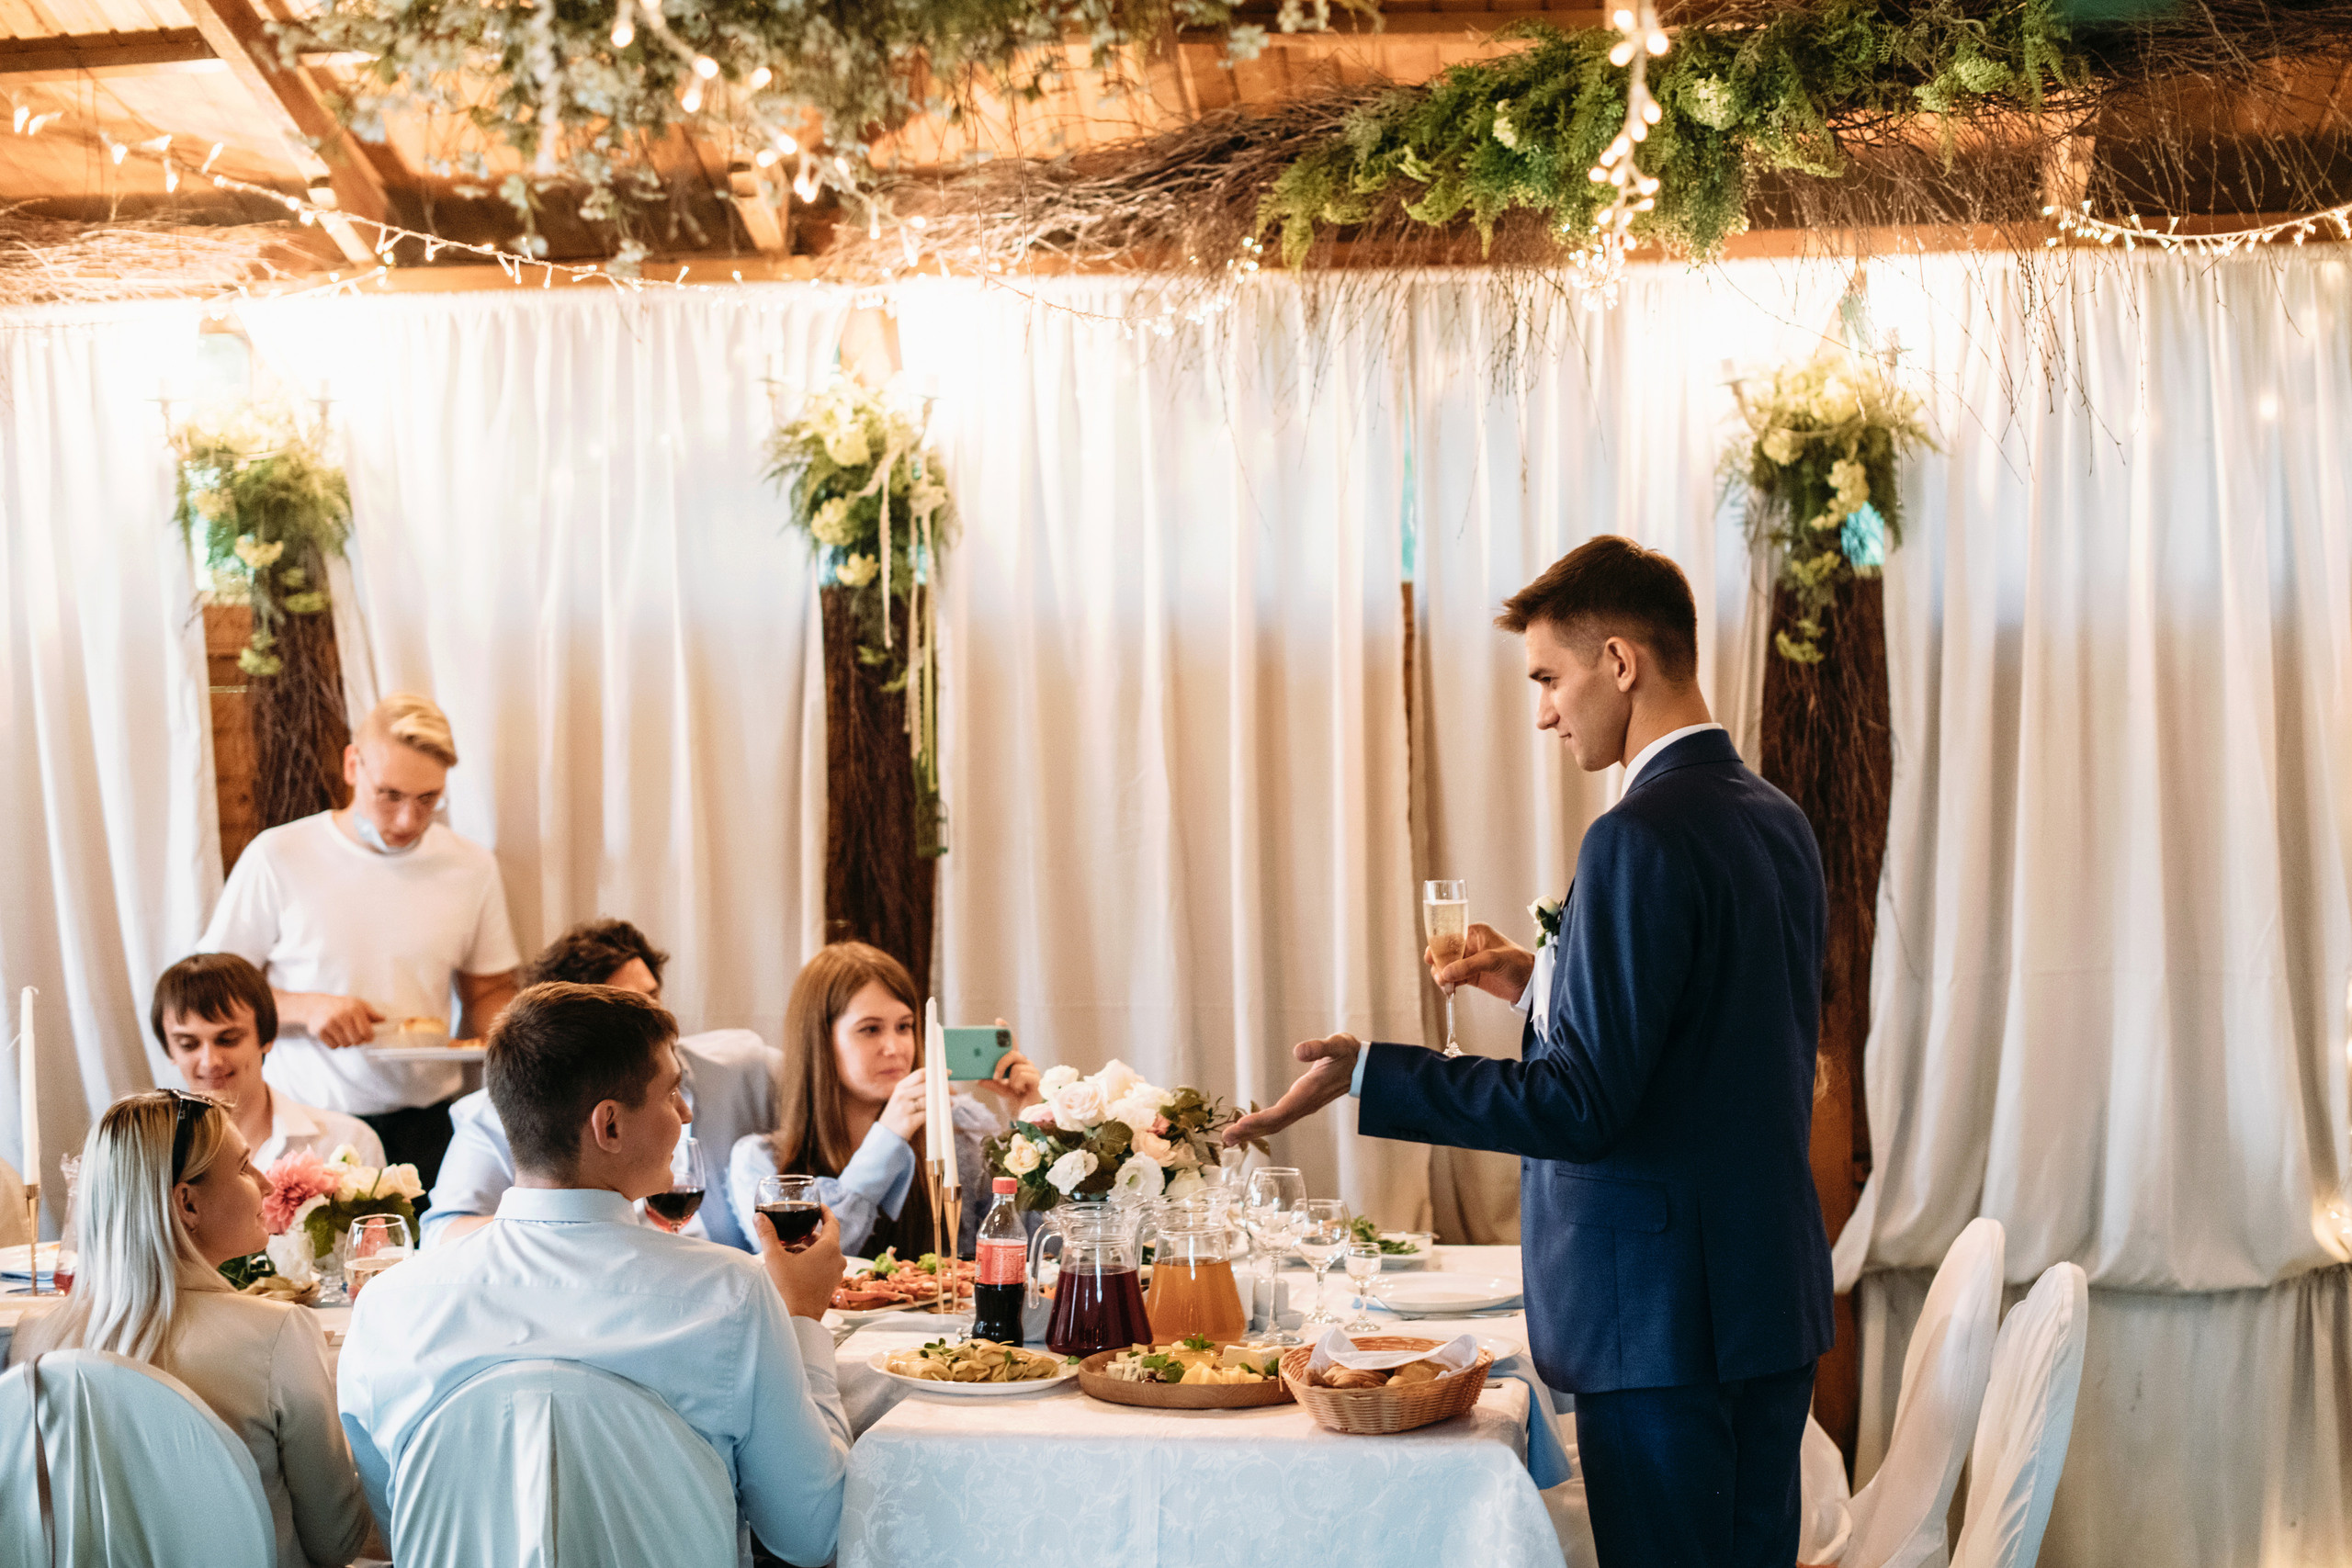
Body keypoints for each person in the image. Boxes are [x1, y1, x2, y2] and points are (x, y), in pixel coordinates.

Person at [1228, 536, 1834, 1568]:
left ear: (1619, 661)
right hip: (1757, 1301)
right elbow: (1710, 1044)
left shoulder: (1637, 836)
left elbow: (1579, 1107)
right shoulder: (1773, 818)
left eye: (1549, 678)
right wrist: (1544, 981)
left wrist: (1373, 1072)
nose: (1545, 710)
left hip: (1661, 1327)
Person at [338, 984, 850, 1567]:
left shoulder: (386, 1307)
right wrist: (804, 1319)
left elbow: (404, 1530)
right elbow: (812, 1536)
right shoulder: (729, 1294)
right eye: (672, 1092)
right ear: (608, 1126)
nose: (685, 1114)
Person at [9, 1090, 372, 1568]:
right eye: (244, 1167)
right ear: (187, 1204)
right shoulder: (277, 1334)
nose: (264, 1183)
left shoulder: (35, 1340)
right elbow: (338, 1543)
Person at [199, 693, 521, 1190]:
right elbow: (211, 997)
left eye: (427, 800)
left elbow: (487, 991)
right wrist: (307, 1008)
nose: (407, 821)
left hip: (431, 1124)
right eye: (389, 795)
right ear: (353, 764)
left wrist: (515, 1044)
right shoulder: (278, 856)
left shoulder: (472, 866)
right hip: (309, 1126)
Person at [422, 919, 780, 1250]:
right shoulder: (502, 1108)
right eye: (625, 1013)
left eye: (651, 997)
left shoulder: (740, 1067)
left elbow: (824, 1081)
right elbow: (443, 1233)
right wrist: (569, 1230)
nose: (652, 1019)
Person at [726, 942, 1039, 1261]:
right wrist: (887, 1138)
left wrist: (1034, 1126)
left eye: (904, 1026)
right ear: (819, 1041)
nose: (895, 1047)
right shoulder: (761, 1164)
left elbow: (1035, 1249)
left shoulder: (960, 1128)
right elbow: (802, 1261)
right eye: (870, 1029)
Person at [153, 953, 385, 1173]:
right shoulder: (154, 1154)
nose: (210, 1061)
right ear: (168, 1049)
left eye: (228, 1040)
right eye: (188, 1044)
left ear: (267, 1036)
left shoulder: (348, 1140)